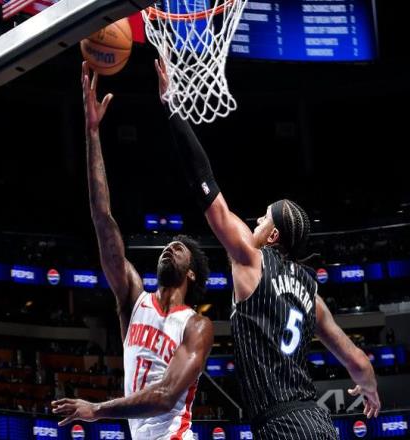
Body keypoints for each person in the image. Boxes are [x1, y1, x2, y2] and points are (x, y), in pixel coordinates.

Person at [154, 58, 380, 439]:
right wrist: (370, 389)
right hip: (318, 423)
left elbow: (206, 186)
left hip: (280, 424)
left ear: (273, 236)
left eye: (262, 220)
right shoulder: (311, 296)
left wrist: (173, 109)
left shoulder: (251, 259)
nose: (255, 222)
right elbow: (358, 361)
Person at [51, 62, 214, 440]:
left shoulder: (196, 326)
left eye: (180, 249)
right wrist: (92, 132)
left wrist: (96, 409)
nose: (170, 248)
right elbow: (102, 217)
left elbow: (166, 396)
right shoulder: (133, 298)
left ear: (191, 273)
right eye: (168, 246)